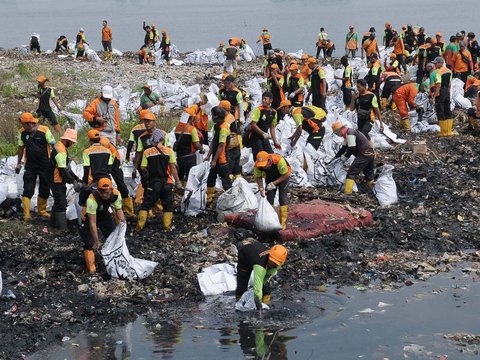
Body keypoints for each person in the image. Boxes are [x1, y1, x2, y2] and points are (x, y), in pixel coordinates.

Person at [136, 129, 182, 232]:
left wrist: (147, 177)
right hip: (167, 183)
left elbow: (143, 167)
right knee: (168, 205)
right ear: (162, 139)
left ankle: (139, 227)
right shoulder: (169, 151)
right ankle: (167, 227)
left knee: (146, 205)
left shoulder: (147, 152)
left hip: (153, 183)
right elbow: (173, 168)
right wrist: (178, 182)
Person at [16, 112, 56, 221]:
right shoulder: (22, 133)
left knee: (45, 188)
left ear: (30, 123)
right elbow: (20, 148)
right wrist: (19, 163)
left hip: (45, 165)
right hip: (30, 166)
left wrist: (57, 160)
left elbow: (54, 145)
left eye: (24, 124)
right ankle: (27, 214)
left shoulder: (44, 130)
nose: (22, 126)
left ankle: (42, 211)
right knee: (28, 189)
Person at [80, 177, 125, 274]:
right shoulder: (92, 198)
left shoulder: (116, 194)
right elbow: (92, 223)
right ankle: (91, 267)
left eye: (107, 192)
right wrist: (97, 241)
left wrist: (122, 223)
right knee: (89, 242)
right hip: (90, 215)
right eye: (102, 192)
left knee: (112, 237)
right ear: (98, 190)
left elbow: (118, 210)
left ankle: (113, 261)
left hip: (104, 213)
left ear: (111, 190)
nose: (105, 195)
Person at [236, 241, 287, 312]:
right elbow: (257, 290)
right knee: (241, 288)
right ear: (269, 256)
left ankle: (265, 305)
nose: (272, 264)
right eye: (271, 261)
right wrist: (259, 310)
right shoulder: (260, 266)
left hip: (256, 251)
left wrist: (264, 281)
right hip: (245, 257)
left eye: (275, 263)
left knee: (266, 289)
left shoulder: (280, 261)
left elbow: (267, 276)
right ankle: (239, 306)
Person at [330, 122, 376, 195]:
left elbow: (352, 148)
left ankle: (347, 193)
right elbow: (344, 148)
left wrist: (345, 157)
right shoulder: (348, 133)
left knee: (351, 173)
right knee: (368, 174)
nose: (337, 135)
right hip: (370, 154)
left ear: (340, 130)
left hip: (364, 155)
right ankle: (374, 191)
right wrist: (335, 158)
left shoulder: (350, 134)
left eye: (336, 133)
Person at [50, 129, 81, 230]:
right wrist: (73, 181)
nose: (72, 144)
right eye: (71, 142)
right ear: (66, 140)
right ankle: (62, 228)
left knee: (58, 202)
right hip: (56, 180)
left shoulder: (61, 148)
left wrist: (77, 178)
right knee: (61, 203)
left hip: (57, 179)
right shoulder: (60, 150)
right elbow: (62, 170)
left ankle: (53, 225)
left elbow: (68, 168)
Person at [99, 137, 135, 218]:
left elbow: (110, 164)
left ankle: (128, 210)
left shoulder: (112, 149)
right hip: (103, 162)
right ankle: (107, 209)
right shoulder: (99, 146)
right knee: (103, 186)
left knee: (121, 185)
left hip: (114, 163)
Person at [254, 152, 291, 229]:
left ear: (270, 160)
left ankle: (283, 223)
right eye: (262, 166)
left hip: (283, 177)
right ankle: (270, 221)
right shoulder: (258, 166)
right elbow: (258, 177)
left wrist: (273, 184)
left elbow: (286, 175)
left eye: (265, 165)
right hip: (270, 177)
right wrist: (261, 188)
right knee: (269, 198)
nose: (263, 168)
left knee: (282, 198)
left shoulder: (279, 160)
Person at [205, 106, 232, 204]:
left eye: (213, 115)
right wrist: (208, 155)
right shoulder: (217, 126)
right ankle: (209, 198)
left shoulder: (224, 128)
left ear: (217, 116)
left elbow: (221, 146)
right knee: (211, 179)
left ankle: (230, 201)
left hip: (222, 160)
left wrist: (214, 160)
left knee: (226, 182)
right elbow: (214, 142)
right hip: (215, 159)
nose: (211, 117)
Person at [248, 92, 280, 159]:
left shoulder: (274, 112)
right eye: (262, 99)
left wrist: (275, 142)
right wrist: (263, 133)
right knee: (259, 156)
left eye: (265, 99)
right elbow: (253, 124)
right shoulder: (258, 110)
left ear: (271, 100)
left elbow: (272, 128)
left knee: (270, 155)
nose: (263, 100)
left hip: (264, 137)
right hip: (255, 137)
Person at [174, 110, 203, 184]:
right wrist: (201, 149)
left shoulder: (177, 128)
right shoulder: (192, 129)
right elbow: (196, 144)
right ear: (190, 118)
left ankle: (179, 189)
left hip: (180, 156)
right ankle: (187, 191)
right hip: (190, 156)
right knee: (189, 176)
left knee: (180, 173)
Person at [219, 100, 242, 179]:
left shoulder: (227, 119)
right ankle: (238, 178)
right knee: (236, 164)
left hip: (230, 144)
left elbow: (225, 132)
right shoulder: (231, 116)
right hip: (235, 143)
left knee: (230, 164)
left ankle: (230, 180)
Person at [432, 57, 454, 136]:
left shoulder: (439, 73)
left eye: (436, 63)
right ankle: (449, 131)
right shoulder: (449, 71)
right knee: (447, 110)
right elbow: (450, 84)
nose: (435, 64)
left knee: (440, 110)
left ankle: (443, 132)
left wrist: (434, 97)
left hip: (441, 92)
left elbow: (438, 85)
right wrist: (448, 93)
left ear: (440, 63)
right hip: (447, 92)